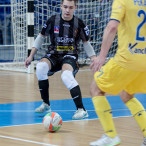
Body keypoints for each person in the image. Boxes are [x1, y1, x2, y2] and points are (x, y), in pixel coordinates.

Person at [25, 0, 96, 120]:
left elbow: (86, 42)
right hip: (54, 55)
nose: (67, 10)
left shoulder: (79, 23)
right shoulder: (53, 20)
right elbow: (41, 37)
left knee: (66, 76)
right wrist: (31, 55)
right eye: (65, 7)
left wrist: (93, 58)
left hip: (70, 56)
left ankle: (81, 109)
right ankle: (46, 104)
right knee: (41, 67)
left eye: (70, 7)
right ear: (61, 6)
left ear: (75, 8)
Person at [89, 0, 146, 145]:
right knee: (126, 94)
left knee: (95, 88)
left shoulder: (122, 1)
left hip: (127, 59)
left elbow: (112, 26)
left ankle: (111, 135)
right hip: (144, 61)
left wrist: (102, 56)